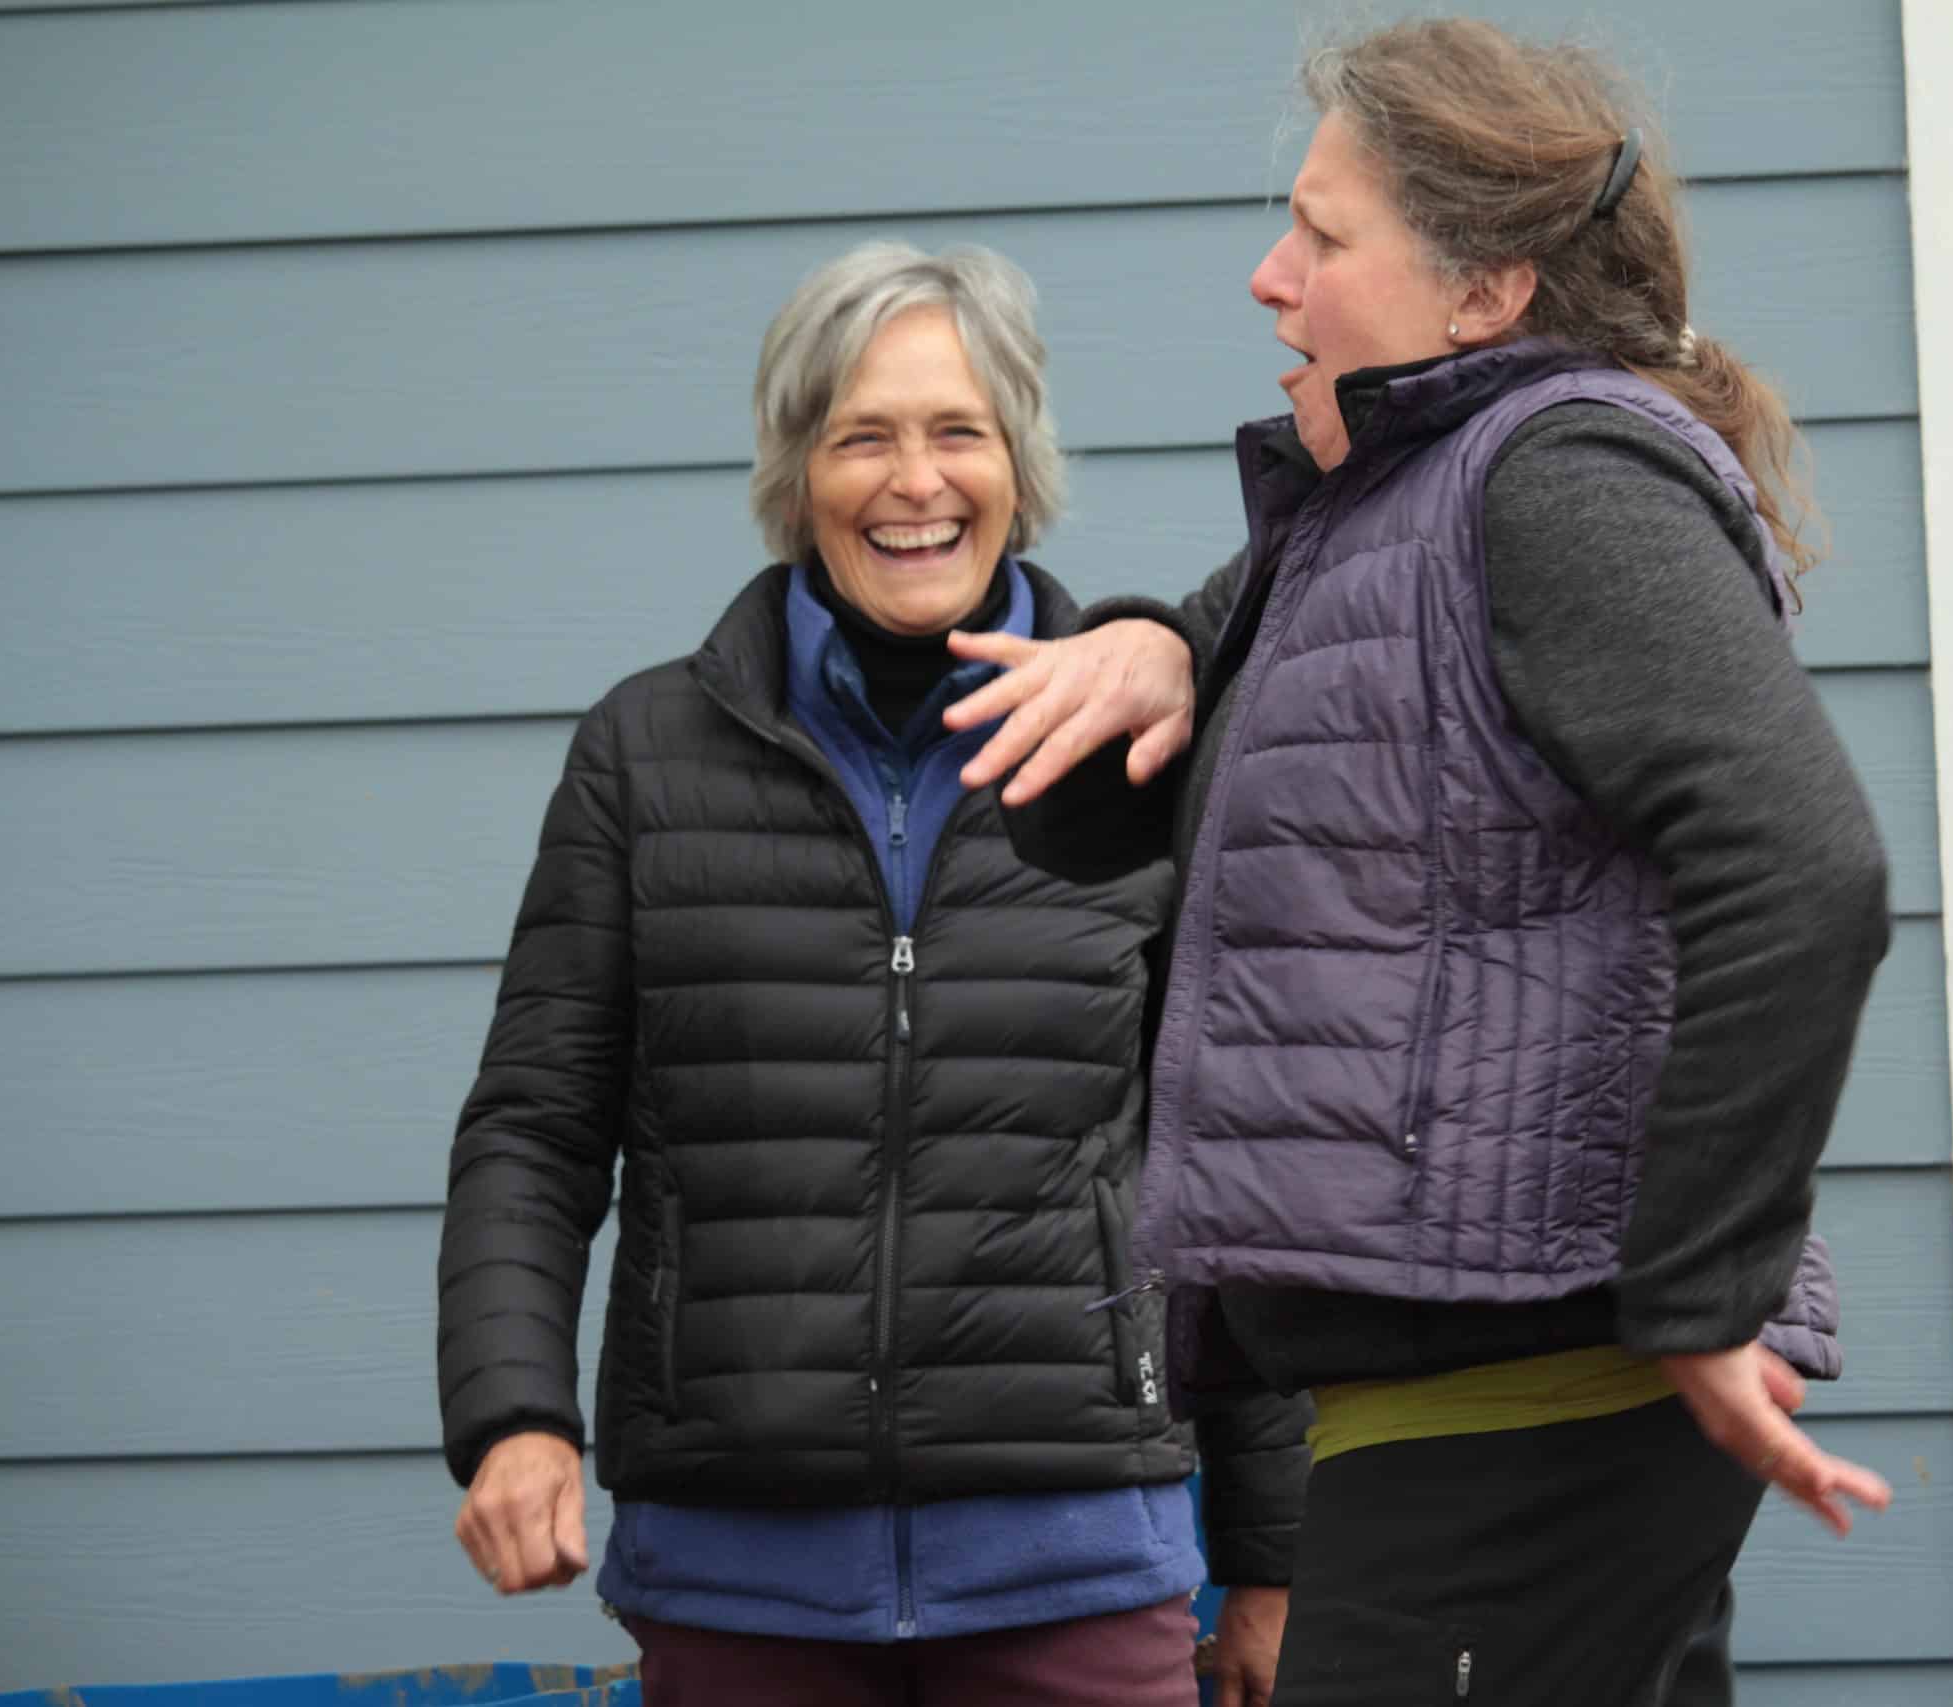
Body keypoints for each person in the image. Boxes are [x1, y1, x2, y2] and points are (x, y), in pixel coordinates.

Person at [943, 21, 1894, 1704]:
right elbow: (1100, 816)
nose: (1271, 278)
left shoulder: (1561, 475)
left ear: (1486, 291)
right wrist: (1158, 644)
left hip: (1536, 1403)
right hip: (1453, 1404)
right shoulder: (1380, 509)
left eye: (1323, 236)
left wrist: (1703, 1286)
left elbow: (1803, 863)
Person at [434, 240, 1307, 1707]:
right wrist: (512, 1415)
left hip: (1078, 1565)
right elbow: (533, 1128)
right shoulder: (644, 757)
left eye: (960, 431)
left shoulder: (1142, 746)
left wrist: (1274, 1550)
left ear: (1019, 463)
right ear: (797, 472)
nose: (916, 483)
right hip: (739, 1577)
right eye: (862, 438)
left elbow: (1234, 1163)